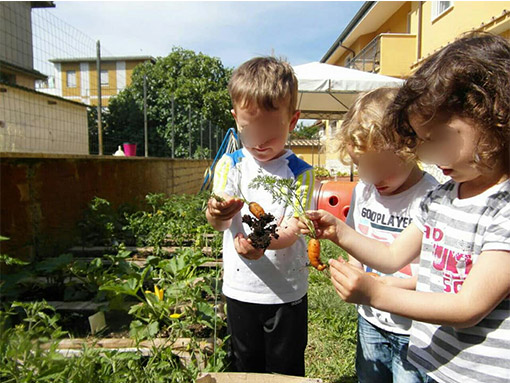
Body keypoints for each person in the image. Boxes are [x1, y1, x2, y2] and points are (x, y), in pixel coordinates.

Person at [298, 32, 510, 383]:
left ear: (495, 114)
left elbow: (468, 307)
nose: (430, 156)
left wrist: (376, 293)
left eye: (441, 137)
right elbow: (393, 256)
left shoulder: (503, 208)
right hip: (436, 363)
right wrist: (341, 232)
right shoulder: (440, 199)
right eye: (424, 143)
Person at [205, 56, 314, 376]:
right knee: (244, 366)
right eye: (250, 130)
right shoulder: (231, 165)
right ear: (235, 117)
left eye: (271, 130)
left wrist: (263, 241)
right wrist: (217, 211)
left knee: (286, 368)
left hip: (287, 292)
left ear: (292, 121)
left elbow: (295, 226)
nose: (260, 141)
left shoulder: (301, 172)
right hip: (240, 290)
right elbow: (219, 221)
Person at [333, 87, 438, 383]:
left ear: (410, 149)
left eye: (379, 168)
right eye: (361, 167)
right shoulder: (364, 191)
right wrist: (353, 269)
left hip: (414, 327)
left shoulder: (430, 198)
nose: (370, 177)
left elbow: (440, 273)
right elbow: (356, 233)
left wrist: (397, 285)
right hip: (371, 319)